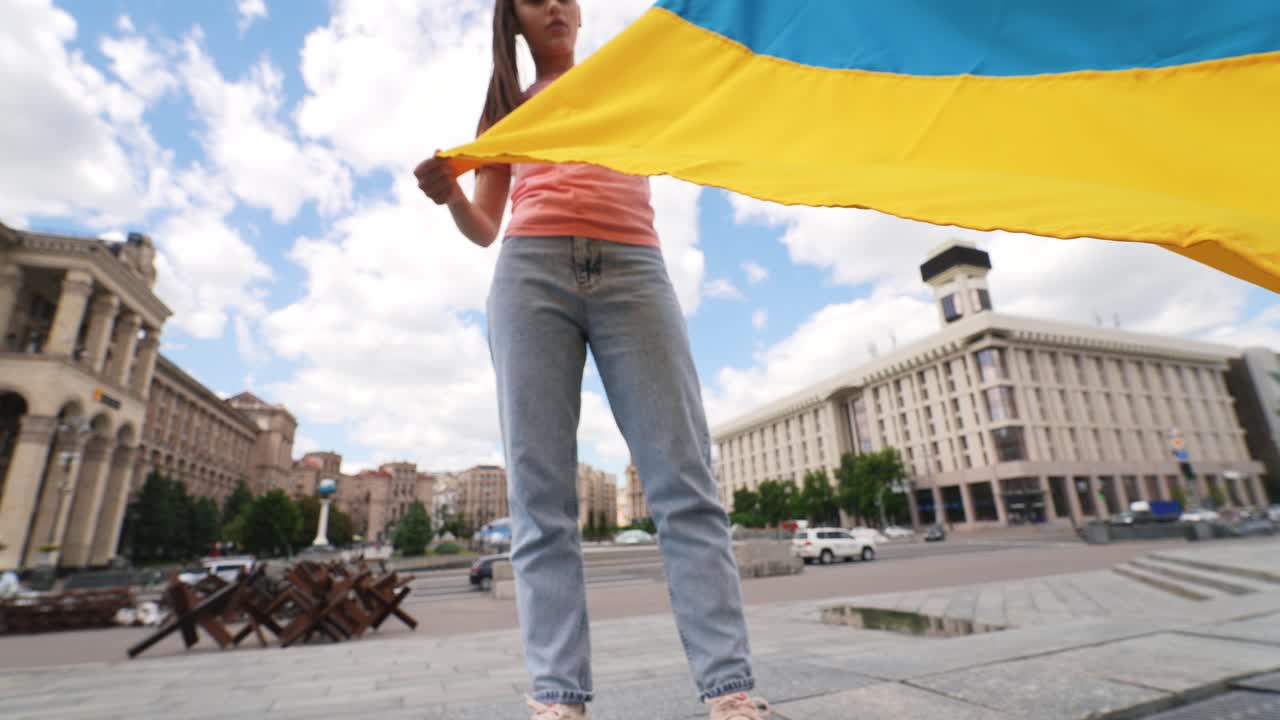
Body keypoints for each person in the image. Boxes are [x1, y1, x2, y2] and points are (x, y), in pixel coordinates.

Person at [414, 1, 769, 718]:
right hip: (530, 272)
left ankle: (729, 693)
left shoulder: (622, 79)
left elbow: (699, 109)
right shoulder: (507, 111)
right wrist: (451, 193)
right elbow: (485, 227)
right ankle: (558, 700)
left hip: (635, 268)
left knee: (684, 481)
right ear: (511, 19)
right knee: (540, 500)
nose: (552, 5)